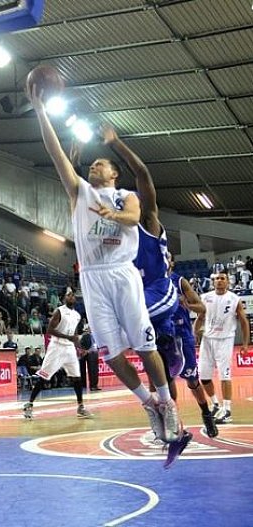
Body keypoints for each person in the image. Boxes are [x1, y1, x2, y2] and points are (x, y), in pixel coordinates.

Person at [30, 84, 183, 464]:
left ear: (114, 173)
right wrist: (39, 108)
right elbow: (54, 153)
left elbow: (132, 216)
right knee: (111, 355)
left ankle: (167, 403)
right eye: (92, 164)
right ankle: (148, 403)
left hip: (122, 273)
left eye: (101, 164)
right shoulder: (79, 192)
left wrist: (112, 214)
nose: (94, 167)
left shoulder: (125, 195)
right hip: (92, 278)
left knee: (144, 345)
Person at [102, 123, 196, 451]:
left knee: (160, 359)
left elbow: (142, 173)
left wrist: (116, 143)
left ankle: (170, 401)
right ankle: (160, 413)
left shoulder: (149, 221)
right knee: (112, 351)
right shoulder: (117, 234)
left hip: (160, 292)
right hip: (134, 297)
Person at [168, 254, 216, 437]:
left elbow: (202, 308)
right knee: (164, 381)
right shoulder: (149, 282)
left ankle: (206, 414)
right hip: (162, 336)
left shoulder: (180, 282)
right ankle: (172, 423)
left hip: (182, 336)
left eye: (167, 257)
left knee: (192, 380)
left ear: (172, 262)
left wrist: (186, 304)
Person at [23, 290, 92, 419]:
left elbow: (74, 335)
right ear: (64, 298)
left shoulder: (77, 315)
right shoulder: (59, 311)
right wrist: (68, 337)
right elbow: (50, 330)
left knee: (77, 377)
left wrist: (80, 348)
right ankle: (29, 404)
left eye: (73, 295)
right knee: (44, 377)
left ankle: (80, 407)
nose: (71, 297)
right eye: (68, 295)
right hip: (56, 347)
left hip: (69, 348)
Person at [195, 270, 249, 425]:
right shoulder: (205, 297)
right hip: (207, 340)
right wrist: (195, 333)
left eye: (222, 278)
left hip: (225, 340)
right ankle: (215, 404)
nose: (219, 280)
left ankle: (227, 410)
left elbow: (244, 322)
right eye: (217, 278)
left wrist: (245, 343)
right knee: (204, 377)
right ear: (213, 282)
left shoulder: (234, 299)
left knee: (225, 376)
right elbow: (200, 317)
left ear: (228, 281)